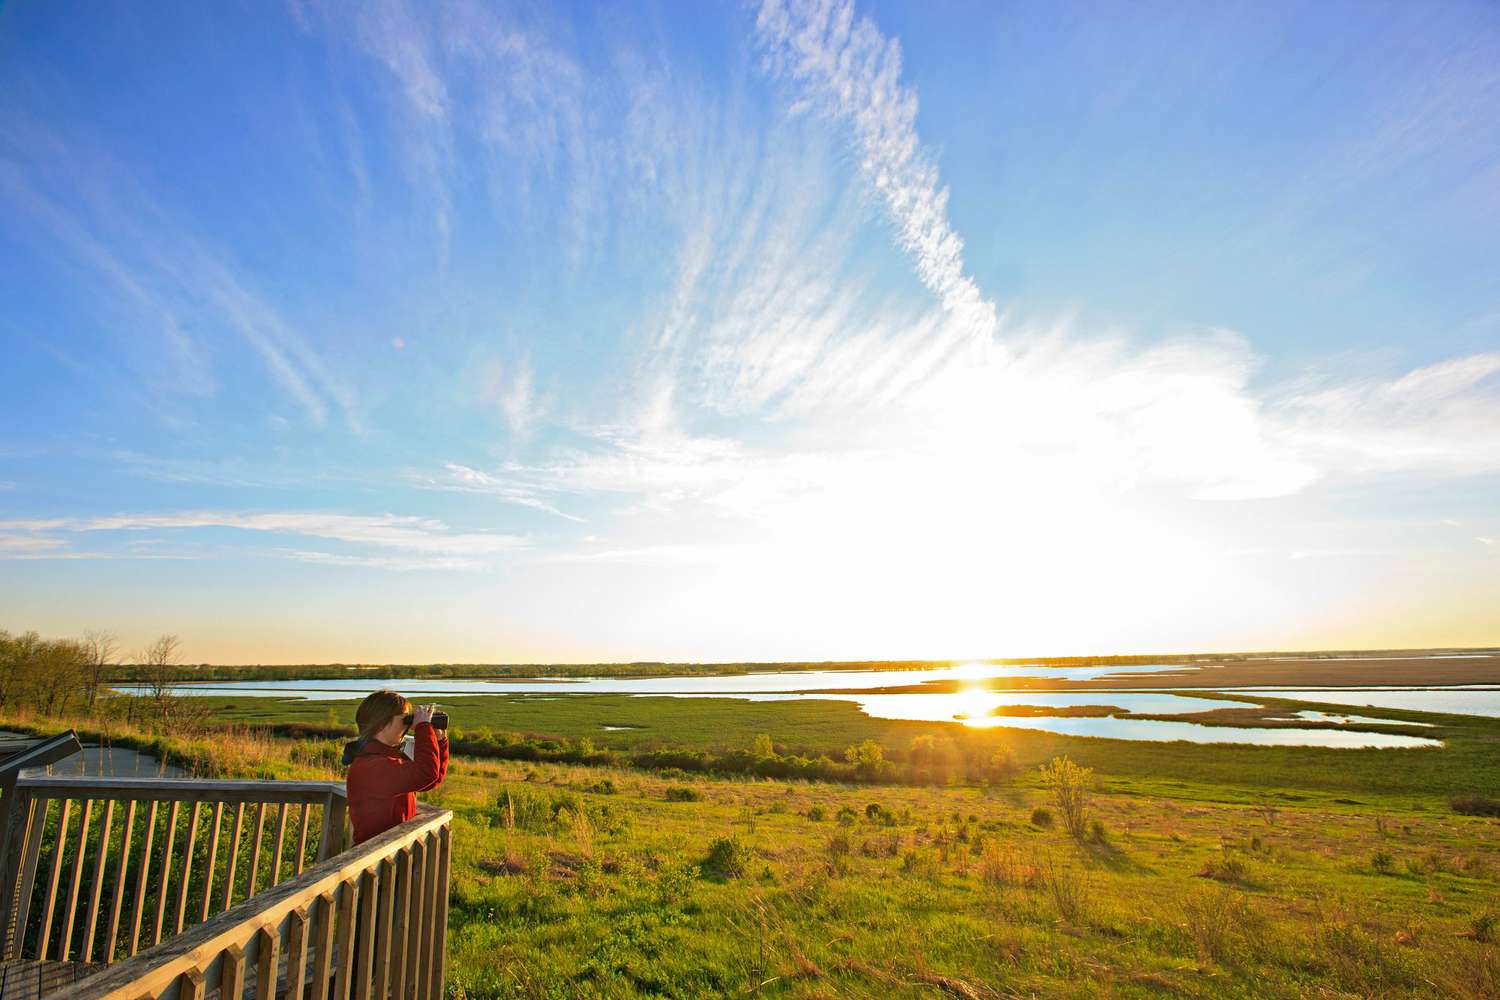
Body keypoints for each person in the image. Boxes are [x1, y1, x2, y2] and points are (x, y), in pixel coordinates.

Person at [343, 689, 449, 844]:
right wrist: (423, 727)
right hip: (374, 859)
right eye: (405, 719)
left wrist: (439, 740)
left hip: (390, 854)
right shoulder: (371, 767)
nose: (408, 725)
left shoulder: (384, 758)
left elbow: (431, 780)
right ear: (382, 724)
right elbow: (426, 773)